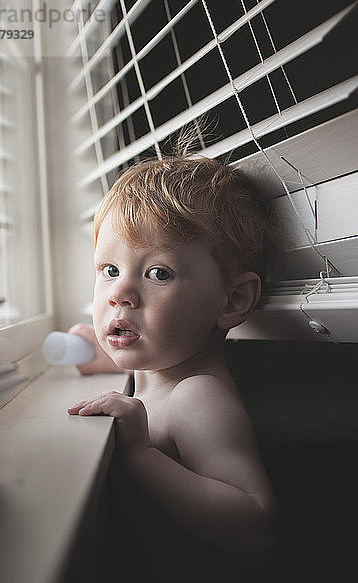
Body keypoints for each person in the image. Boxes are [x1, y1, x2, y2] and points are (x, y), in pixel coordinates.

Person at [68, 146, 282, 582]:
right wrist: (97, 348)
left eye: (158, 273)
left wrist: (142, 455)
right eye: (109, 270)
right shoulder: (157, 364)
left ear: (233, 300)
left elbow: (255, 525)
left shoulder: (197, 397)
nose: (119, 293)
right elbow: (125, 362)